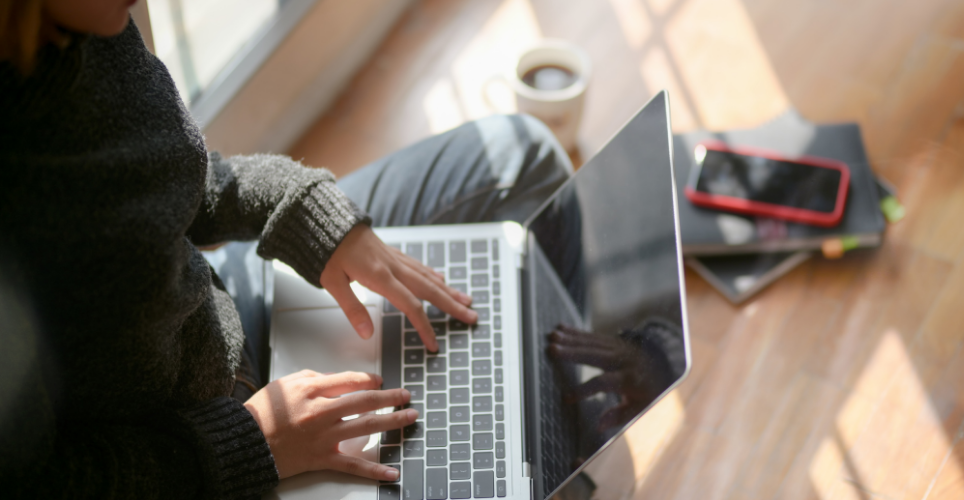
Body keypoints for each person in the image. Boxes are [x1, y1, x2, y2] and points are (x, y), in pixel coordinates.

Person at [0, 0, 573, 498]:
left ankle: (570, 429)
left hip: (220, 322)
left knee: (523, 156)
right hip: (196, 460)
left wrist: (310, 216)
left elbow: (174, 184)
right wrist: (252, 443)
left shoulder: (87, 25)